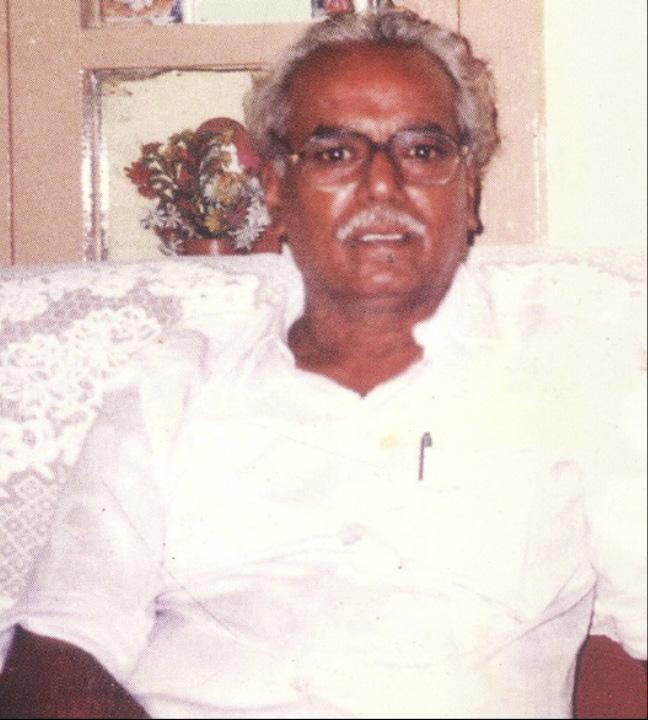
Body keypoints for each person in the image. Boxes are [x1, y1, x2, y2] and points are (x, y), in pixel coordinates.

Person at [0, 9, 645, 719]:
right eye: (335, 153)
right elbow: (58, 649)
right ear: (276, 188)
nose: (382, 186)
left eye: (423, 150)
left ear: (468, 189)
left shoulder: (581, 379)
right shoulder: (175, 384)